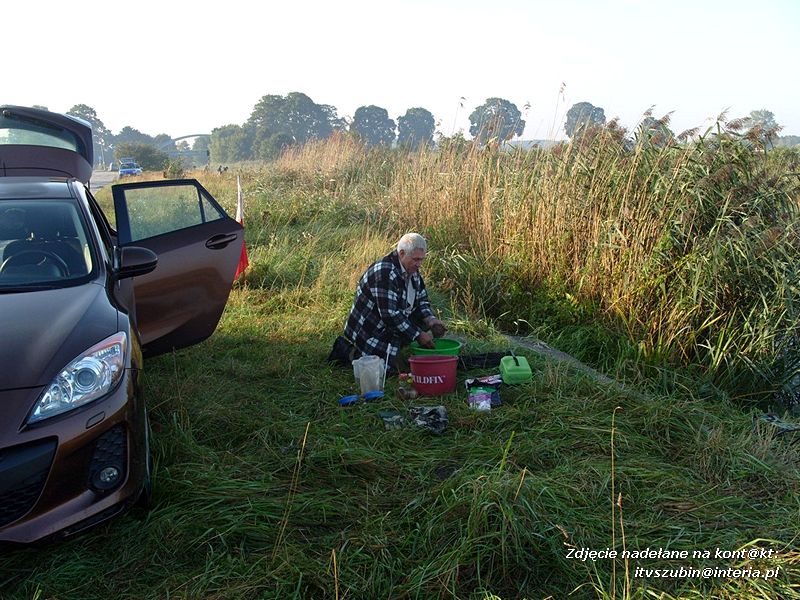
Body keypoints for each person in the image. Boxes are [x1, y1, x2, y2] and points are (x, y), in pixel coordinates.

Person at [328, 233, 447, 368]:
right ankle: (349, 352)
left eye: (421, 259)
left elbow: (422, 300)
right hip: (369, 329)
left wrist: (430, 320)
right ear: (402, 253)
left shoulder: (411, 270)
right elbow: (390, 315)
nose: (419, 264)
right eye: (415, 259)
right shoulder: (385, 272)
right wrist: (418, 334)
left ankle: (394, 349)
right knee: (387, 369)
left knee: (405, 357)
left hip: (389, 324)